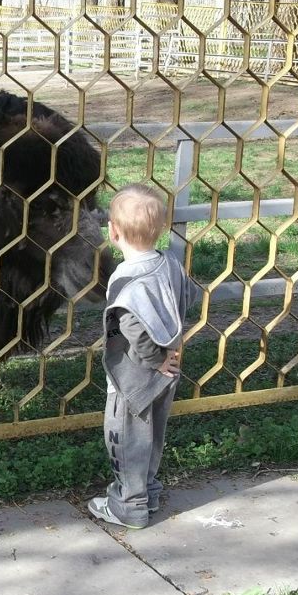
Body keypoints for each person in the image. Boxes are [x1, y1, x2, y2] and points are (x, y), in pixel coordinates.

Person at [88, 183, 202, 529]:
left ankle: (129, 506)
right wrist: (169, 347)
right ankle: (149, 492)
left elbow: (132, 326)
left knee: (126, 440)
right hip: (169, 370)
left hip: (134, 379)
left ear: (114, 231)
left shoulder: (125, 279)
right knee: (153, 436)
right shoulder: (168, 263)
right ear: (162, 228)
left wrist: (153, 357)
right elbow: (189, 296)